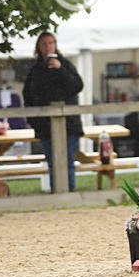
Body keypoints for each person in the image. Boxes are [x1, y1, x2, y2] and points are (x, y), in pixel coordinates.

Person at [23, 31, 85, 190]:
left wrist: (60, 69)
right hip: (45, 126)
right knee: (52, 162)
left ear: (56, 45)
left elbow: (77, 86)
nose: (48, 46)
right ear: (38, 47)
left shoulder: (65, 64)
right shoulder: (35, 70)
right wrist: (34, 121)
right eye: (44, 44)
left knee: (68, 161)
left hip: (69, 124)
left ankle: (70, 191)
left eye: (51, 43)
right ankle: (56, 192)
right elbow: (28, 96)